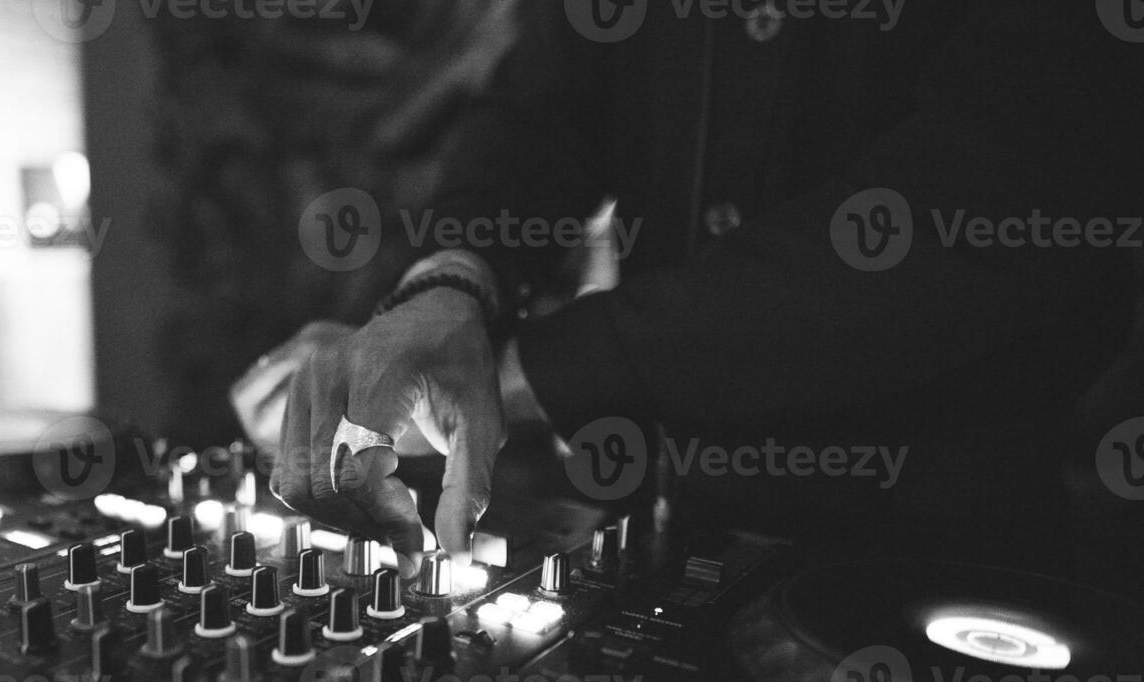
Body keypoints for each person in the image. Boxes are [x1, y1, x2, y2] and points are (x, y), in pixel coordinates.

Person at [241, 2, 1144, 580]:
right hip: (658, 524)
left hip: (944, 560)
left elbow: (961, 222)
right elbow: (549, 105)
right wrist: (450, 287)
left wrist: (507, 376)